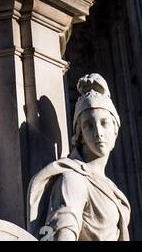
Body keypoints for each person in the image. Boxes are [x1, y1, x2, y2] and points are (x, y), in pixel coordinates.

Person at [28, 74, 131, 241]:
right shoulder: (74, 180)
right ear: (80, 134)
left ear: (115, 129)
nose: (98, 132)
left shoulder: (111, 187)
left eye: (104, 123)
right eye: (88, 125)